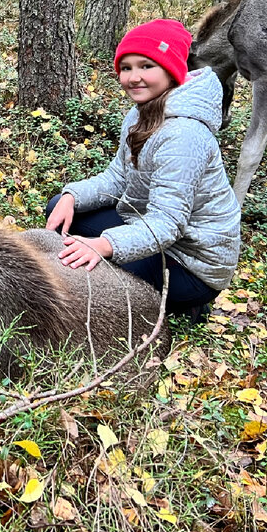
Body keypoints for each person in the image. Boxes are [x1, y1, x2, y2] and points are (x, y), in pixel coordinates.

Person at [44, 19, 241, 317]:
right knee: (60, 209)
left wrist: (104, 244)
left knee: (97, 269)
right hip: (151, 228)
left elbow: (168, 223)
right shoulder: (141, 114)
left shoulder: (184, 135)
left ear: (172, 70)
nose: (134, 77)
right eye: (126, 68)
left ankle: (189, 304)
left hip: (191, 261)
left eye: (146, 66)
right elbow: (117, 178)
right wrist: (72, 196)